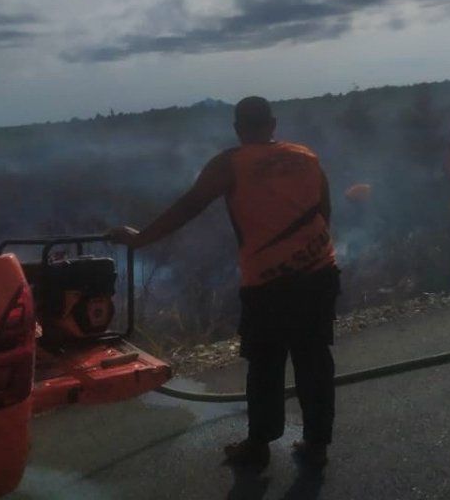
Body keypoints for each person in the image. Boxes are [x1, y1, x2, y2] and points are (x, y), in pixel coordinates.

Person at [109, 96, 340, 470]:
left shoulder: (231, 163)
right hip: (319, 272)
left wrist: (139, 239)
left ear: (237, 129)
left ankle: (260, 445)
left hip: (268, 283)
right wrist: (308, 255)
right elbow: (324, 211)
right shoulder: (307, 156)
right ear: (273, 124)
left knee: (265, 363)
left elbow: (188, 207)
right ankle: (317, 442)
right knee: (314, 358)